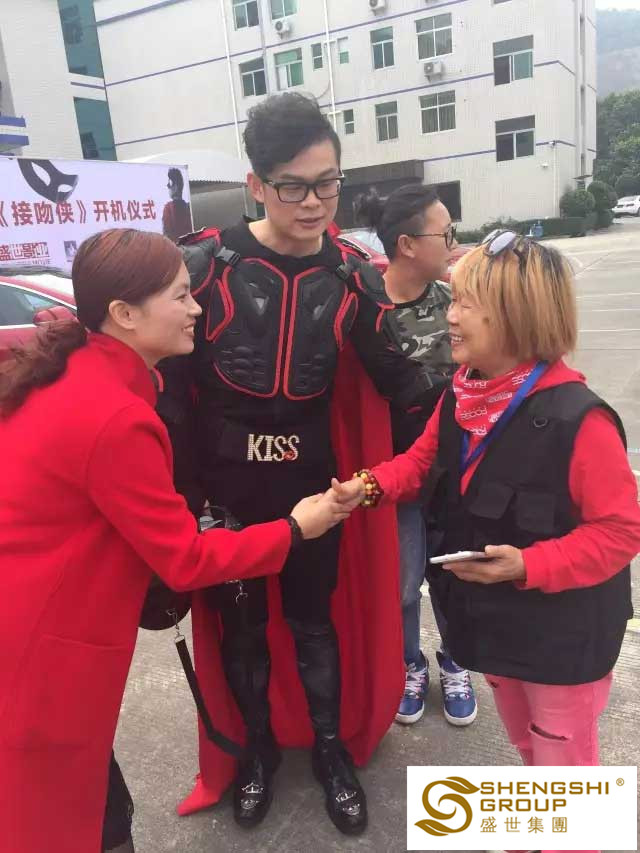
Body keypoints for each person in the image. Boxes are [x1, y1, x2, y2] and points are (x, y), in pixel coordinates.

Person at [0, 228, 348, 853]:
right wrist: (297, 528)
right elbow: (185, 558)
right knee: (68, 817)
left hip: (30, 628)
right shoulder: (115, 415)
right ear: (125, 314)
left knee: (86, 798)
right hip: (37, 653)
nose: (196, 308)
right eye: (182, 296)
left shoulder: (75, 371)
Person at [160, 93, 440, 835]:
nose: (314, 202)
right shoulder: (204, 266)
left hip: (314, 485)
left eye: (327, 183)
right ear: (256, 184)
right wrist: (181, 498)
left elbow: (402, 383)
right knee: (244, 631)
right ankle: (255, 753)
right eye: (293, 186)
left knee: (315, 623)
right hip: (226, 489)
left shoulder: (352, 274)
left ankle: (330, 750)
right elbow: (166, 391)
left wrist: (483, 398)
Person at [332, 232, 640, 851]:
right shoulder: (463, 394)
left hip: (563, 637)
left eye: (466, 302)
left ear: (517, 314)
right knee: (526, 745)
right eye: (453, 299)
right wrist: (364, 487)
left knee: (564, 769)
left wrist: (529, 563)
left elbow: (620, 531)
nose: (450, 315)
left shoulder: (581, 418)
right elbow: (421, 463)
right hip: (498, 624)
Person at [356, 185, 477, 728]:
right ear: (407, 244)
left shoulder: (457, 301)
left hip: (456, 472)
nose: (453, 243)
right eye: (444, 233)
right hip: (397, 473)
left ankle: (456, 661)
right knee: (403, 582)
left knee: (455, 574)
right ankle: (410, 664)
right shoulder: (366, 311)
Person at [162, 167, 192, 242]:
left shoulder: (168, 208)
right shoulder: (189, 207)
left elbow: (166, 235)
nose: (167, 187)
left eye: (169, 184)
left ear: (175, 187)